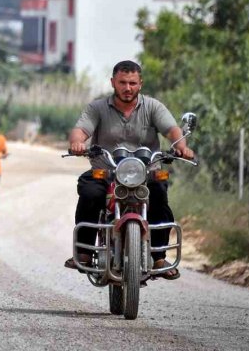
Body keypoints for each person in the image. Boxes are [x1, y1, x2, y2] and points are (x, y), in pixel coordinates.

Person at [65, 60, 195, 279]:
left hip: (147, 172)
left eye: (133, 83)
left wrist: (181, 146)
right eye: (123, 82)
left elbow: (172, 130)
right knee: (90, 193)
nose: (128, 88)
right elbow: (81, 130)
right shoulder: (97, 108)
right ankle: (85, 252)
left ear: (140, 84)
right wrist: (77, 143)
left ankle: (159, 256)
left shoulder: (153, 107)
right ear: (113, 82)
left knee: (159, 195)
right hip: (106, 172)